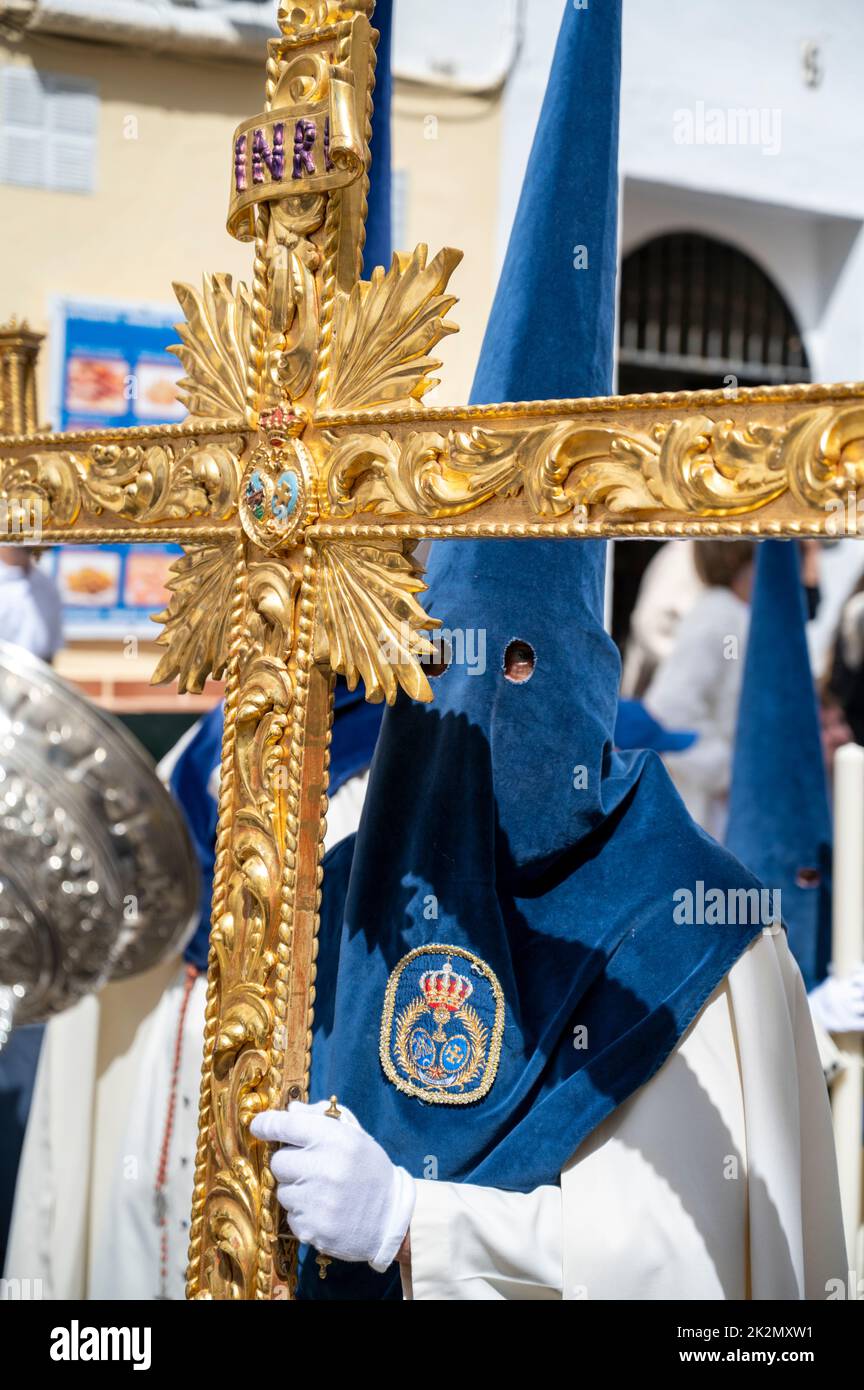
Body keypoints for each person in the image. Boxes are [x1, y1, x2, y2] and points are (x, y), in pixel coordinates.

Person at [250, 1, 845, 1302]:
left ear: (587, 664)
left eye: (524, 666)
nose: (492, 700)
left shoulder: (698, 940)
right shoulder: (362, 857)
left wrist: (425, 1223)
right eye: (461, 669)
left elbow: (695, 1267)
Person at [643, 541, 755, 838]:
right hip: (710, 807)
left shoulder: (735, 612)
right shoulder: (719, 614)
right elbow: (670, 710)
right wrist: (727, 774)